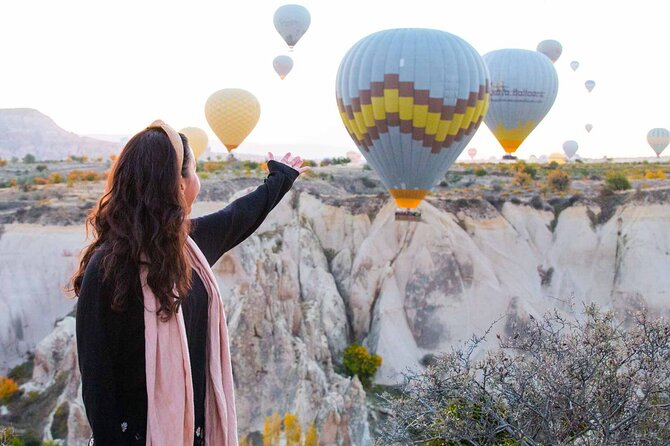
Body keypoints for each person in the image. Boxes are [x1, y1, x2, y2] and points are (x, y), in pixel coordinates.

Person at [72, 120, 308, 445]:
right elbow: (97, 381)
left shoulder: (188, 249)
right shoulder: (107, 267)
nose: (199, 182)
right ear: (178, 185)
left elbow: (239, 216)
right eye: (194, 172)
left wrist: (279, 178)